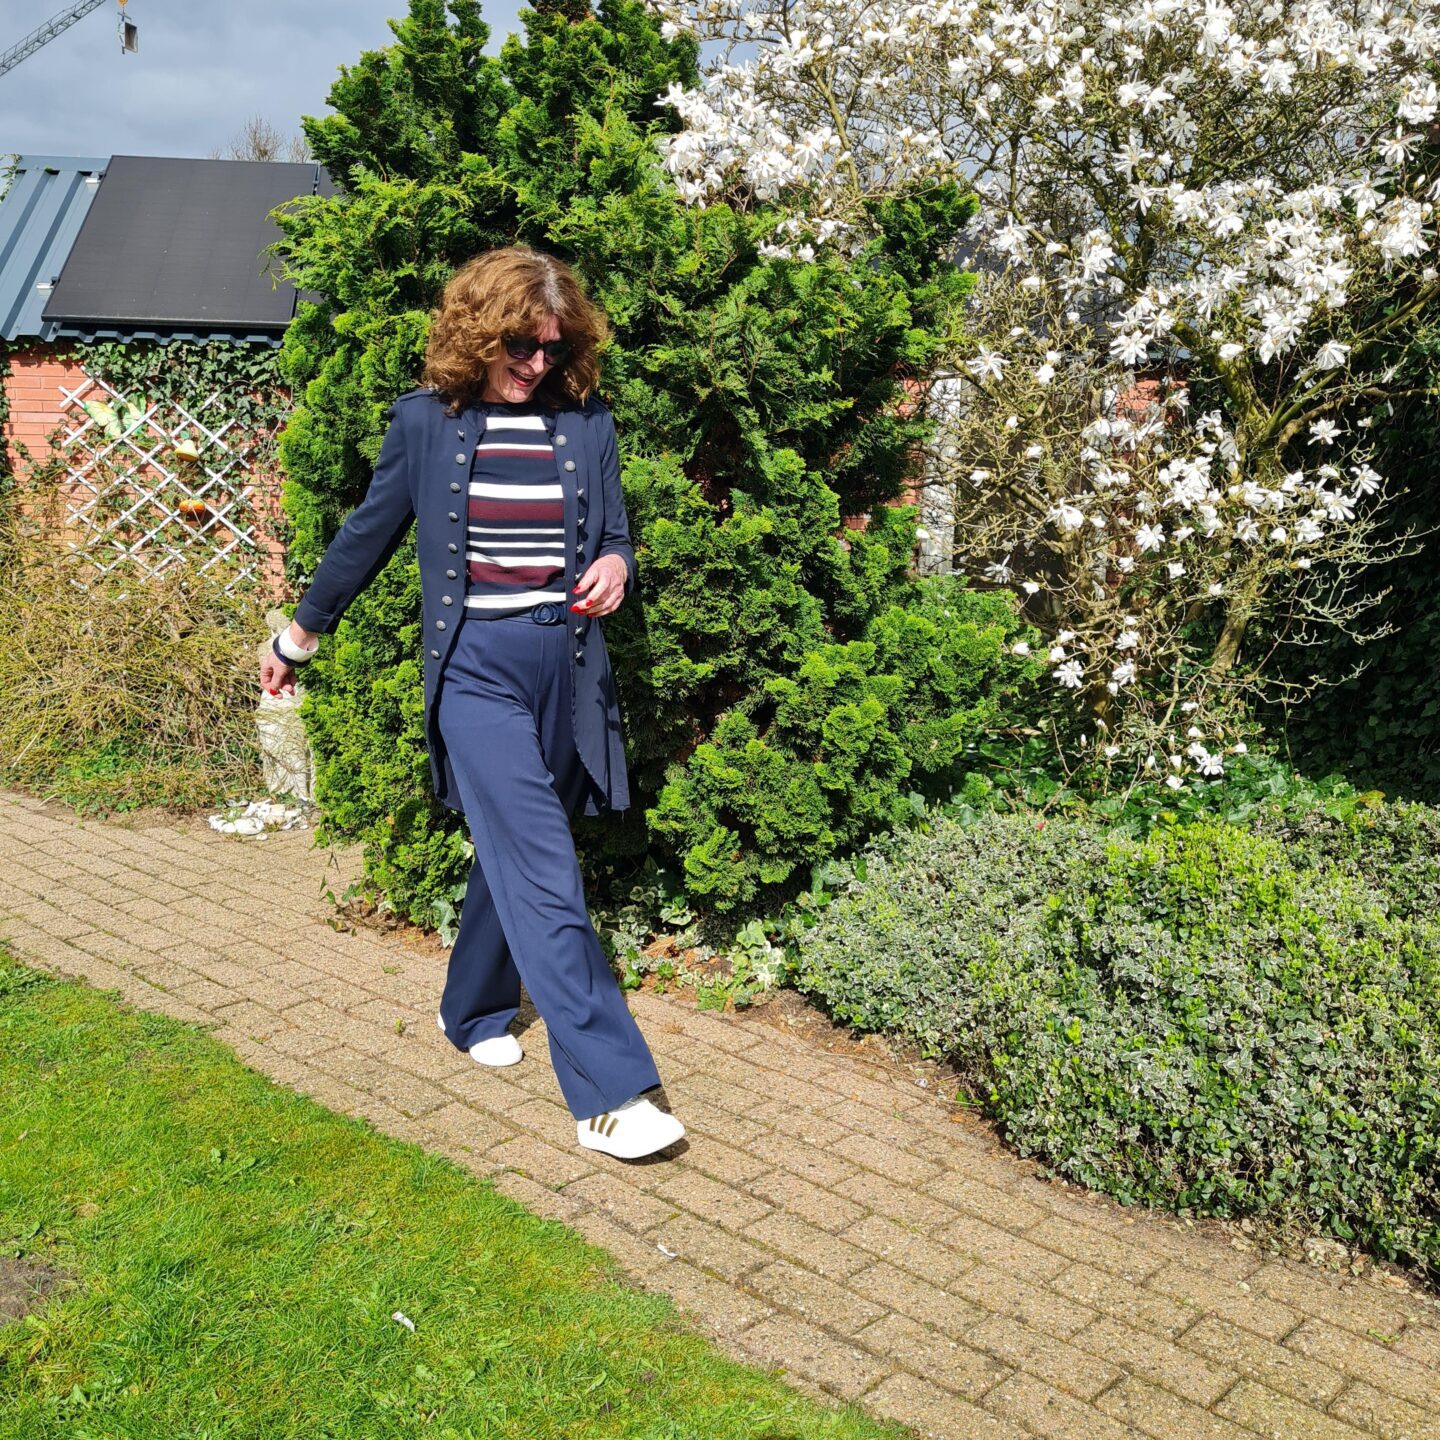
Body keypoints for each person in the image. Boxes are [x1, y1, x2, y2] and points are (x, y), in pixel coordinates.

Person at [259, 246, 685, 1161]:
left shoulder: (586, 423)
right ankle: (610, 1095)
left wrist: (616, 565)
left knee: (517, 849)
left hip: (568, 667)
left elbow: (614, 535)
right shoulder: (428, 423)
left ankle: (472, 1008)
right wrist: (298, 637)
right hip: (475, 672)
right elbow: (366, 535)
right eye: (522, 347)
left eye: (553, 348)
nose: (538, 364)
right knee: (543, 865)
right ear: (479, 334)